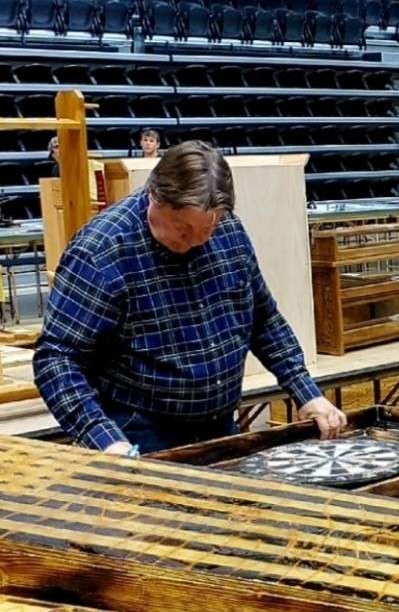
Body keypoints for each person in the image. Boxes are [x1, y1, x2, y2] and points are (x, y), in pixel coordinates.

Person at [34, 140, 345, 455]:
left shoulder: (228, 231)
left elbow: (263, 319)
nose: (198, 241)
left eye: (208, 230)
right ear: (155, 196)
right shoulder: (101, 252)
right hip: (138, 431)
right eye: (184, 229)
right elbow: (57, 359)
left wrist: (307, 392)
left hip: (220, 423)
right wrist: (104, 439)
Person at [48, 135, 105, 203]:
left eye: (64, 145)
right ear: (52, 154)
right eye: (57, 147)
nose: (62, 149)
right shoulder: (56, 169)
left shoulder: (88, 165)